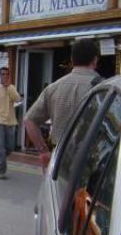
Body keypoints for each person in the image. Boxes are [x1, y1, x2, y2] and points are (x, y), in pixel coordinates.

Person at [24, 39, 101, 169]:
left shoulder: (53, 87)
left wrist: (44, 151)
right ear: (95, 60)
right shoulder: (102, 87)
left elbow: (29, 120)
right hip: (92, 160)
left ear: (72, 59)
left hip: (59, 157)